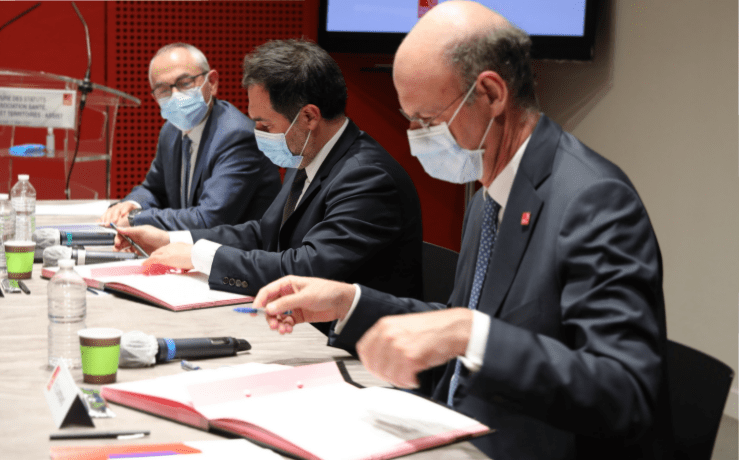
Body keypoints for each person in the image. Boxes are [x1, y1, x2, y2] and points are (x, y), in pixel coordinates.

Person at [252, 3, 671, 459]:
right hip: (451, 429)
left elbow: (625, 393)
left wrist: (471, 332)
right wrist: (348, 301)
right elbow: (455, 321)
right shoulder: (490, 192)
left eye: (428, 120)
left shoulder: (592, 200)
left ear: (491, 93)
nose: (415, 137)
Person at [116, 39, 424, 312]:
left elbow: (306, 267)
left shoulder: (367, 177)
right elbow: (264, 233)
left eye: (265, 125)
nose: (258, 133)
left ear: (309, 117)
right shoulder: (307, 153)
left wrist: (199, 256)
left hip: (354, 345)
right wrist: (171, 239)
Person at [99, 43, 281, 230]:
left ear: (212, 82)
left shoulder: (237, 136)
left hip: (241, 247)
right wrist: (131, 205)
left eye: (185, 83)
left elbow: (208, 219)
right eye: (163, 90)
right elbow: (154, 189)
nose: (175, 95)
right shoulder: (171, 131)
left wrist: (136, 218)